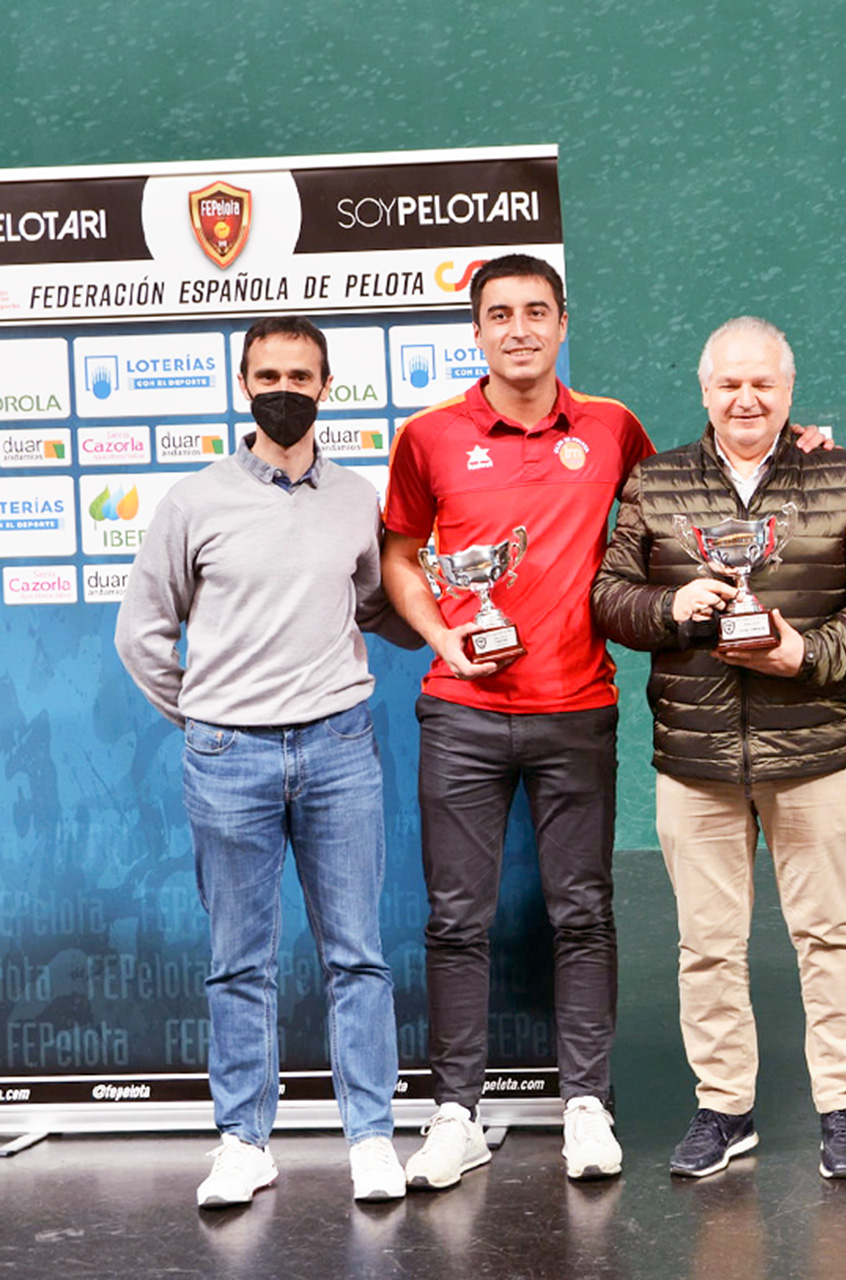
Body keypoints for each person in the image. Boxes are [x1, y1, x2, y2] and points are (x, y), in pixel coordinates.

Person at [591, 316, 846, 1180]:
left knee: (830, 935)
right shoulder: (653, 483)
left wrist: (803, 654)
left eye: (763, 383)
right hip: (695, 761)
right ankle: (724, 1110)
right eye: (729, 383)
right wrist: (672, 608)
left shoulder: (843, 478)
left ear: (788, 390)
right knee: (706, 945)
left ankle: (843, 1108)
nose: (746, 398)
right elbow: (608, 597)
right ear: (704, 390)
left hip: (812, 749)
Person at [115, 316, 422, 1208]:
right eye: (267, 373)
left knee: (358, 954)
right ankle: (244, 1141)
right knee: (238, 961)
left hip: (338, 751)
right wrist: (210, 717)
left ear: (327, 387)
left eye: (301, 373)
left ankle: (371, 1134)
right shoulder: (192, 502)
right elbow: (141, 636)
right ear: (244, 384)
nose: (284, 387)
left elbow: (376, 605)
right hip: (226, 759)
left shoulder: (358, 498)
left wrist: (463, 622)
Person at [380, 254, 654, 1187]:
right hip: (461, 715)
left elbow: (677, 516)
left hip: (578, 710)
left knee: (581, 913)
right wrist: (446, 642)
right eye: (500, 314)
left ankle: (586, 1104)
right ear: (477, 330)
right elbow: (401, 556)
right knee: (458, 920)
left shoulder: (614, 430)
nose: (520, 329)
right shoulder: (428, 438)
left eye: (537, 311)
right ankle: (455, 1114)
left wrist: (794, 455)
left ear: (564, 320)